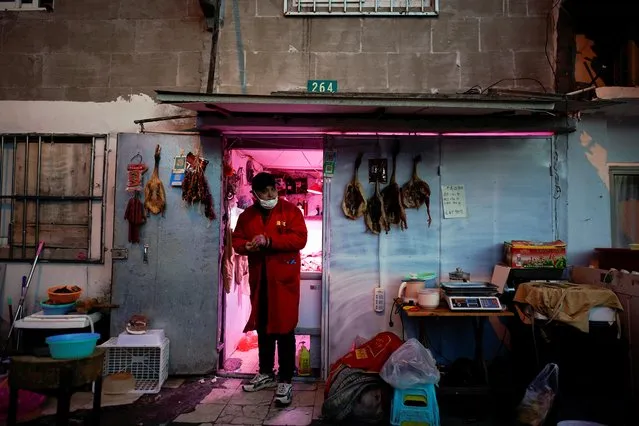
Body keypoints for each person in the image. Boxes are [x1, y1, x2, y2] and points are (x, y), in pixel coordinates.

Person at [231, 172, 308, 406]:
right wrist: (248, 246)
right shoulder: (247, 216)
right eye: (264, 192)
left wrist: (270, 242)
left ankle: (285, 378)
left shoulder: (291, 212)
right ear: (255, 194)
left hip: (283, 283)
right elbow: (236, 241)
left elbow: (300, 239)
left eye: (273, 190)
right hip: (260, 281)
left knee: (284, 329)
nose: (270, 195)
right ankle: (265, 372)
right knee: (263, 327)